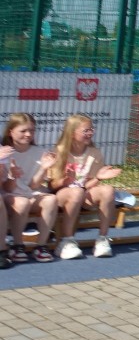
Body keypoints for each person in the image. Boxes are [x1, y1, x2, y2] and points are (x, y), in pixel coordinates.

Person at [48, 114, 121, 259]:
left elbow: (86, 186)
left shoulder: (95, 153)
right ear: (72, 132)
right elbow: (51, 186)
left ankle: (102, 239)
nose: (90, 133)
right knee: (76, 193)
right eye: (86, 130)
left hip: (83, 193)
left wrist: (98, 178)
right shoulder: (59, 152)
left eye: (91, 129)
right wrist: (66, 180)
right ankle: (66, 241)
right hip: (63, 195)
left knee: (108, 190)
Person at [2, 113, 58, 264]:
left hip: (30, 193)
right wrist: (12, 176)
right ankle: (17, 245)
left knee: (51, 200)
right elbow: (7, 187)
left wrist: (43, 168)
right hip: (10, 195)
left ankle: (41, 245)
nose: (28, 134)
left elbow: (33, 185)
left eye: (32, 130)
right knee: (22, 203)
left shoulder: (40, 152)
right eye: (23, 131)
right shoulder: (5, 152)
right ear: (11, 131)